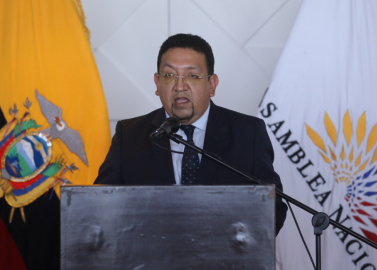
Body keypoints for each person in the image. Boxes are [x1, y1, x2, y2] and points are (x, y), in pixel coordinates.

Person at [94, 33, 287, 235]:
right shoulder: (130, 135)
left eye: (192, 76)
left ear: (211, 85)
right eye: (169, 75)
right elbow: (100, 206)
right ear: (157, 83)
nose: (179, 86)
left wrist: (237, 246)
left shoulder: (248, 133)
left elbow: (273, 207)